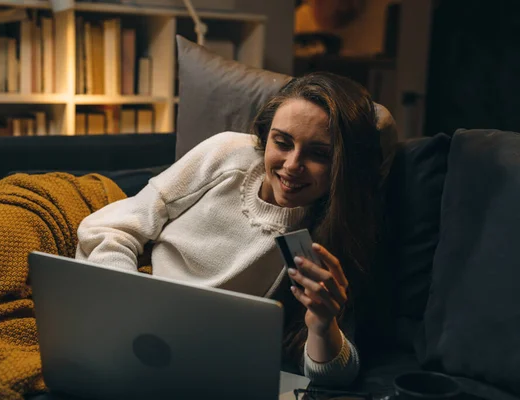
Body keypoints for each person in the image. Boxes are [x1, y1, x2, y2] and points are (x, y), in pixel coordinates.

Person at [76, 71, 392, 386]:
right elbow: (113, 225)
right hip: (137, 300)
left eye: (319, 154)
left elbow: (338, 375)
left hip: (200, 355)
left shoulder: (335, 232)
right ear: (266, 135)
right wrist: (127, 300)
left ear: (343, 163)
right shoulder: (228, 153)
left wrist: (323, 326)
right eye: (282, 142)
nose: (292, 165)